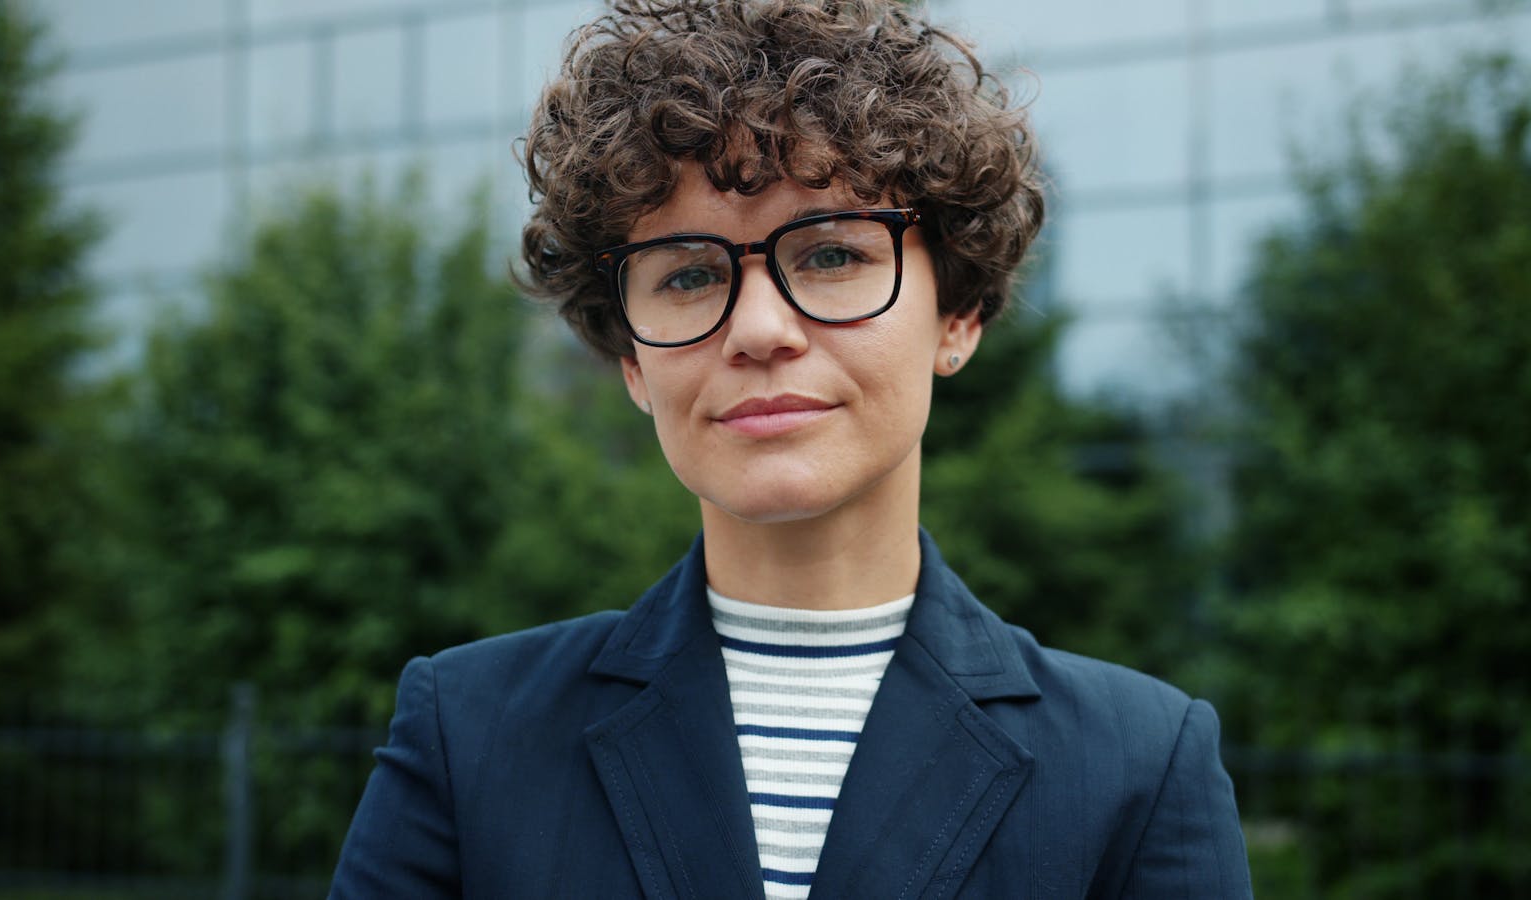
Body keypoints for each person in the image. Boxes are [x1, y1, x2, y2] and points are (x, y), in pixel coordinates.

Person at [330, 0, 1253, 896]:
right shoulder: (468, 735)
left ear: (957, 314)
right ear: (632, 362)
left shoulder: (1139, 766)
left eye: (832, 255)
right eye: (690, 273)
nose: (761, 329)